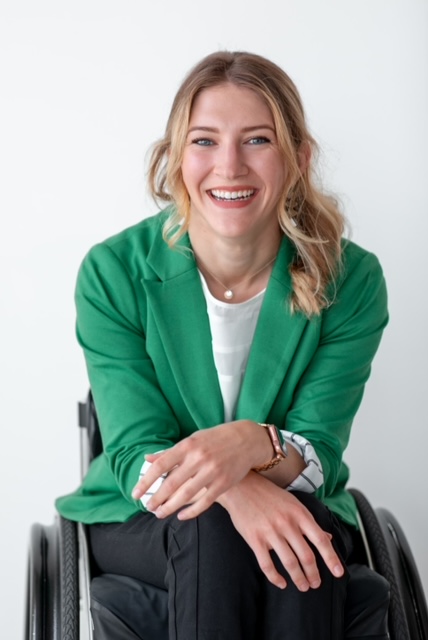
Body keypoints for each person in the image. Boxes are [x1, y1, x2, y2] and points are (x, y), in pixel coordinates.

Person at [56, 51, 389, 639]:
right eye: (205, 141)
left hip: (298, 505)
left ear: (297, 158)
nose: (229, 166)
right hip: (139, 514)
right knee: (214, 526)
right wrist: (234, 479)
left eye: (257, 140)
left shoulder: (350, 280)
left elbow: (320, 459)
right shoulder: (113, 273)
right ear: (176, 160)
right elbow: (137, 453)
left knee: (299, 534)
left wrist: (250, 444)